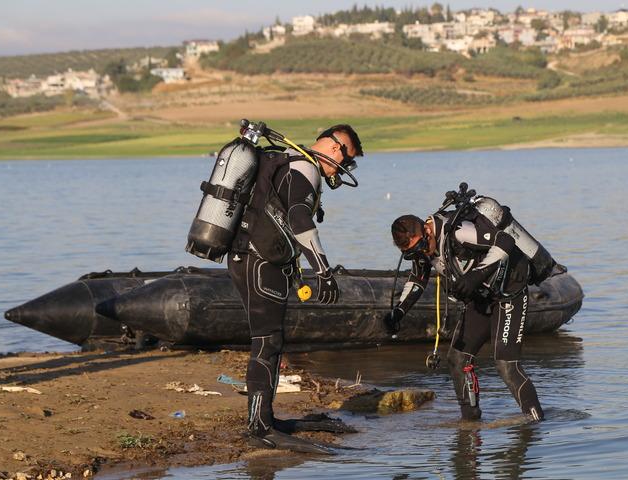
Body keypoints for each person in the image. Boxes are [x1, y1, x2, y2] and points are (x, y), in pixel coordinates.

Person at [228, 124, 363, 453]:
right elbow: (301, 220)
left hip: (246, 256)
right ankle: (261, 427)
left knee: (268, 340)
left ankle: (265, 418)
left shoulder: (288, 159)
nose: (341, 171)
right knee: (268, 342)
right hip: (259, 262)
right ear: (335, 148)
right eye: (345, 161)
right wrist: (323, 271)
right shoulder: (306, 169)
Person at [386, 201, 557, 423]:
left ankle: (536, 424)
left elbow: (505, 241)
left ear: (426, 230)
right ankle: (470, 423)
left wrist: (476, 275)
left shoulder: (459, 232)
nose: (420, 254)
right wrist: (398, 312)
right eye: (410, 254)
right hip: (480, 299)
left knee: (506, 366)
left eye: (419, 248)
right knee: (457, 359)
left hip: (508, 294)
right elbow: (418, 279)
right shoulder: (421, 246)